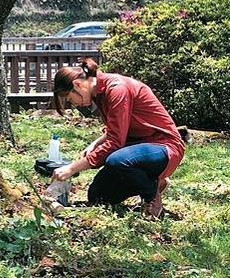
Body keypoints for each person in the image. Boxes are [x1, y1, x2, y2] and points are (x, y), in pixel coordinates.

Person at [52, 58, 185, 218]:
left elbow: (115, 143)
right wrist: (96, 143)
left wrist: (72, 168)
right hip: (134, 149)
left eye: (69, 99)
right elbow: (117, 129)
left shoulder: (117, 89)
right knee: (98, 197)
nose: (73, 104)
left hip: (163, 146)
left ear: (78, 85)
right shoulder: (98, 94)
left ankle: (152, 195)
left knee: (116, 160)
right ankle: (153, 181)